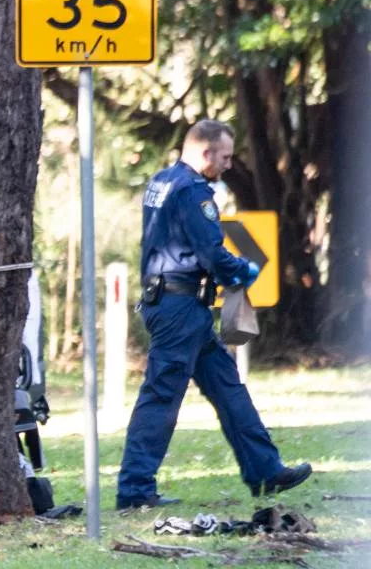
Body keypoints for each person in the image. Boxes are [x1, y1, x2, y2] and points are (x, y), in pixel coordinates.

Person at [116, 120, 311, 510]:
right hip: (180, 308)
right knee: (161, 396)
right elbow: (210, 253)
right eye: (224, 157)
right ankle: (135, 491)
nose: (227, 166)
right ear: (205, 153)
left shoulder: (162, 180)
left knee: (227, 387)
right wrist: (243, 270)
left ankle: (266, 471)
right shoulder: (192, 191)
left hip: (177, 306)